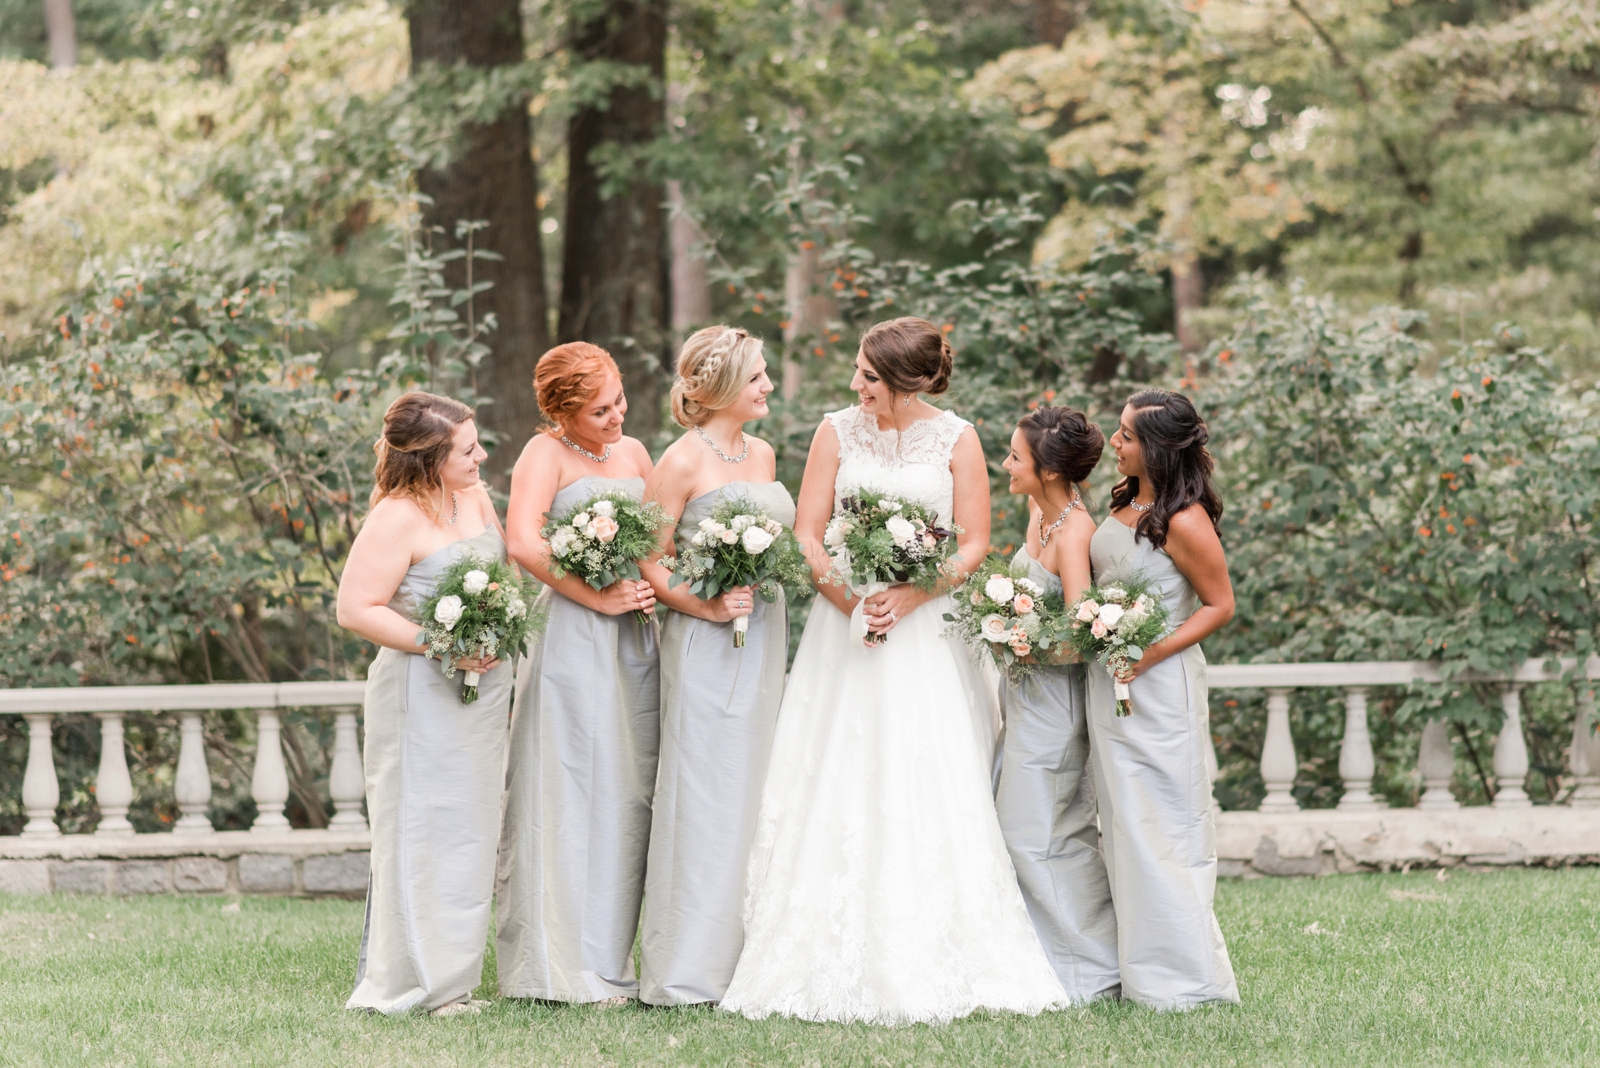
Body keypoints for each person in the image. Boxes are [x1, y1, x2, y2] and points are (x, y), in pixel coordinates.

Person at [721, 317, 1068, 1025]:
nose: (856, 385)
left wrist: (911, 595)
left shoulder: (958, 437)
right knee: (838, 769)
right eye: (858, 371)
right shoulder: (835, 431)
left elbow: (974, 544)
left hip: (927, 633)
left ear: (909, 382)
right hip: (844, 630)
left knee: (929, 772)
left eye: (870, 377)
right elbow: (807, 534)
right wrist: (852, 600)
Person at [496, 342, 659, 1005]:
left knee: (625, 788)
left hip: (635, 638)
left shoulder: (638, 454)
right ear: (563, 413)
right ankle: (554, 964)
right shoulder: (544, 455)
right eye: (600, 411)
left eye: (619, 401)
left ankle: (609, 958)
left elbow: (656, 541)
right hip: (570, 631)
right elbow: (522, 541)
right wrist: (595, 595)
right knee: (563, 785)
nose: (617, 417)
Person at [337, 391, 509, 1016]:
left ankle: (453, 982)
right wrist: (444, 648)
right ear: (432, 457)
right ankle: (412, 982)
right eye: (467, 449)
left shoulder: (477, 498)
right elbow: (355, 610)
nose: (481, 454)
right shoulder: (395, 517)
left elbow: (501, 576)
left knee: (469, 832)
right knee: (420, 831)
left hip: (483, 695)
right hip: (417, 697)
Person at [636, 326, 792, 1006]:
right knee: (706, 787)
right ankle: (689, 966)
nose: (768, 387)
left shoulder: (763, 452)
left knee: (757, 786)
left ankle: (750, 956)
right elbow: (649, 554)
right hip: (705, 638)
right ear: (725, 386)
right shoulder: (679, 461)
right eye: (758, 376)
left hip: (763, 633)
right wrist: (702, 607)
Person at [1087, 388, 1240, 1010]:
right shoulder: (1127, 502)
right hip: (1111, 685)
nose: (1114, 444)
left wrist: (1147, 654)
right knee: (1123, 823)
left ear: (1155, 448)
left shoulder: (1185, 520)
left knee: (1163, 827)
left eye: (1125, 436)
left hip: (1159, 688)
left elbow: (1221, 606)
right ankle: (1136, 970)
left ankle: (1183, 982)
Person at [994, 406, 1121, 1002]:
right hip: (1021, 700)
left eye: (1016, 457)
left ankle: (1091, 973)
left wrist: (1015, 636)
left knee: (1041, 834)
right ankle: (1037, 960)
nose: (1006, 465)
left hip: (1055, 707)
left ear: (1047, 471)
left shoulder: (1075, 535)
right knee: (1022, 829)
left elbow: (1083, 636)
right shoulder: (1037, 515)